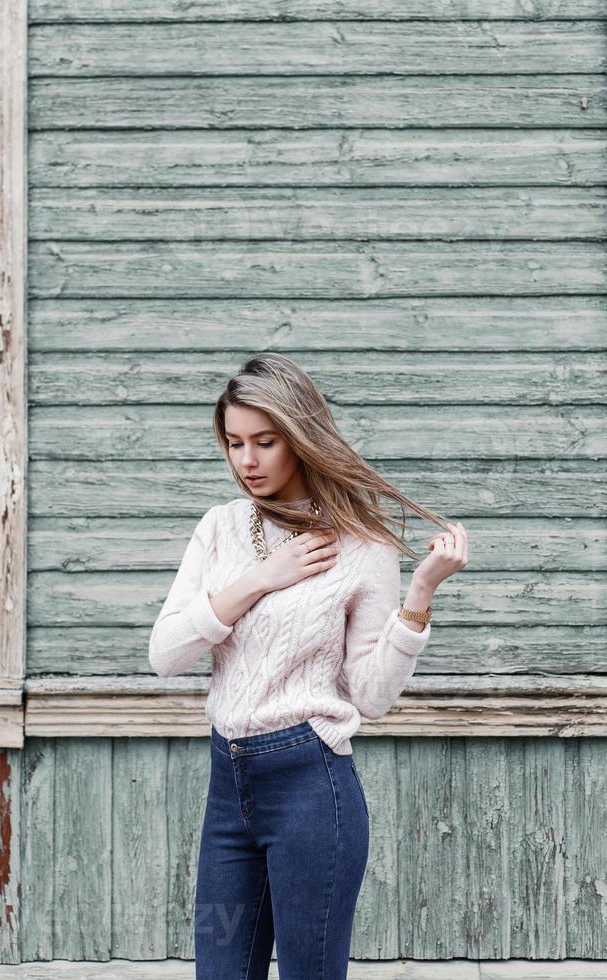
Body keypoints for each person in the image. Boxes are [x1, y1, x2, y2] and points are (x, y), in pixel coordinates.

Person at [147, 352, 468, 979]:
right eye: (234, 443)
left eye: (264, 442)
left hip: (310, 790)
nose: (247, 460)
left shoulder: (361, 547)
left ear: (299, 438)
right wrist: (258, 580)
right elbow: (166, 653)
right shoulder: (219, 529)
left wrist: (419, 597)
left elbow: (369, 695)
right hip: (228, 790)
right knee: (219, 971)